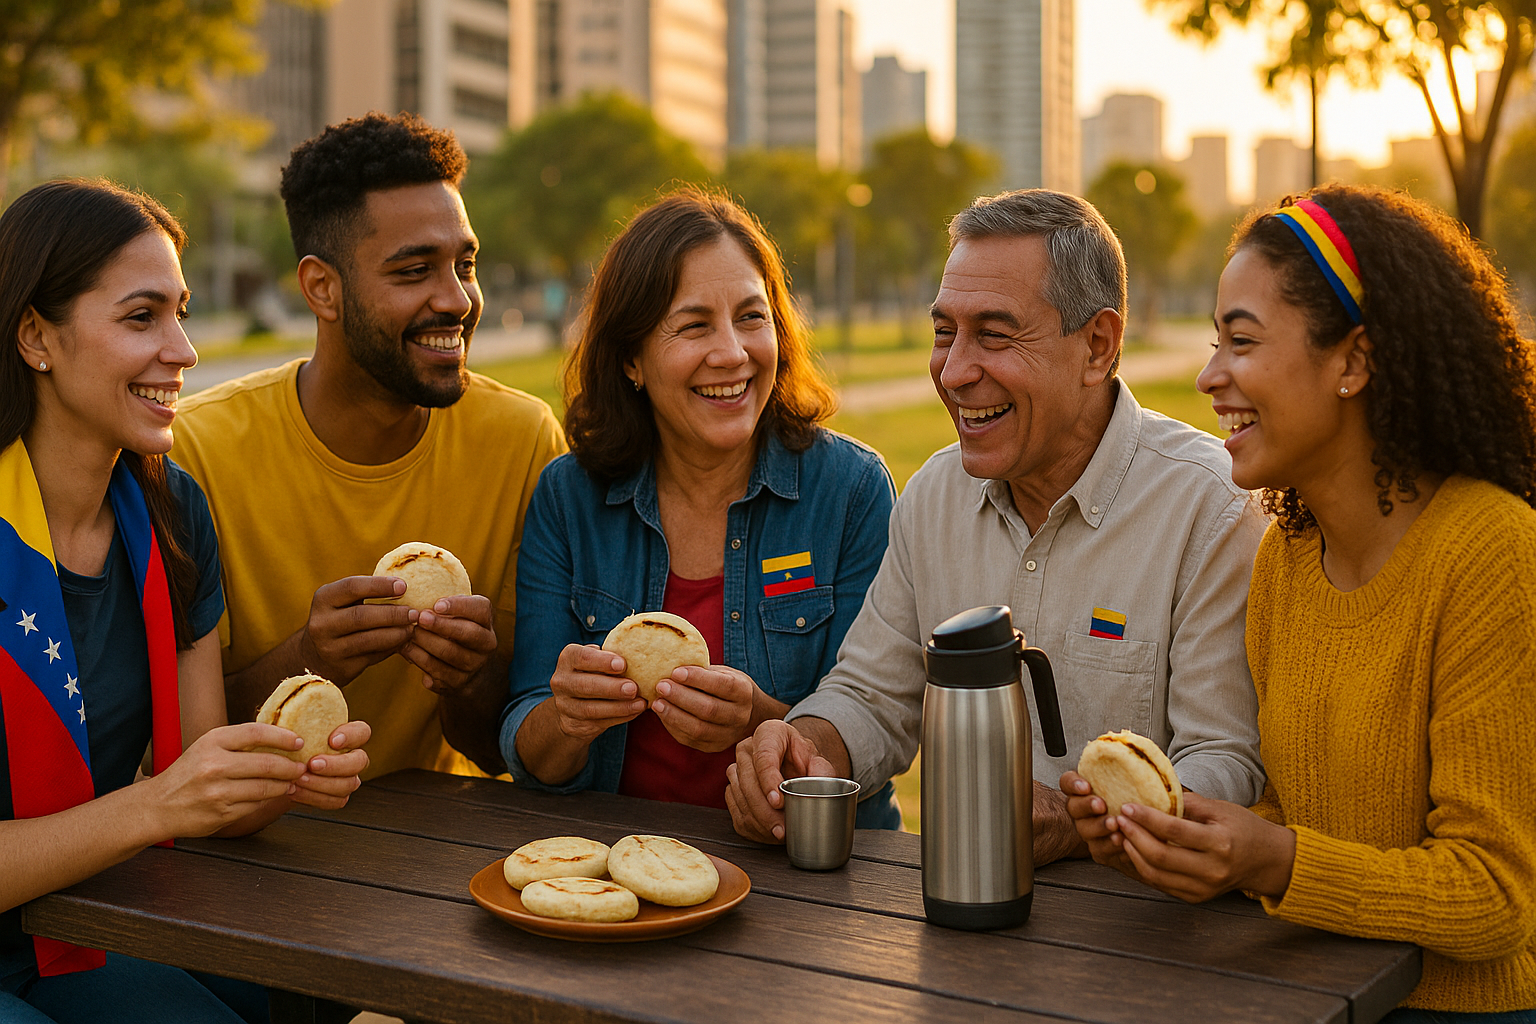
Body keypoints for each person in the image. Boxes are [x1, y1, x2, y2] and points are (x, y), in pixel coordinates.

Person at [1063, 186, 1536, 1021]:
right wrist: (1178, 842)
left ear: (1353, 362)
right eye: (1215, 343)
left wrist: (1272, 863)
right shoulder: (1287, 556)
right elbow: (1294, 813)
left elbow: (1495, 894)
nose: (1210, 377)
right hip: (1309, 996)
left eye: (1241, 342)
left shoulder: (1493, 553)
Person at [726, 188, 1267, 856]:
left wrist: (1077, 824)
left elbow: (1225, 762)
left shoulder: (1210, 509)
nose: (953, 372)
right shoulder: (933, 496)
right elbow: (870, 696)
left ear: (1098, 345)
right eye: (944, 332)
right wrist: (802, 747)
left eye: (994, 335)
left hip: (1146, 937)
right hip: (957, 923)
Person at [0, 179, 370, 1022]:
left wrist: (281, 773)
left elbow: (197, 782)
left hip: (75, 928)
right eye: (141, 318)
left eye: (182, 313)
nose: (184, 351)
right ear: (35, 337)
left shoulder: (173, 514)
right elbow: (165, 800)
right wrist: (159, 803)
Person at [173, 114, 564, 779]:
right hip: (252, 849)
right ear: (322, 288)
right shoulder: (196, 451)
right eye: (414, 271)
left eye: (464, 265)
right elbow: (180, 747)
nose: (458, 299)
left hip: (440, 849)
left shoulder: (523, 439)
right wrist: (309, 657)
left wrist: (472, 674)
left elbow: (516, 747)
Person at [500, 189, 901, 826]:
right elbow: (530, 753)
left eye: (751, 317)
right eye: (694, 326)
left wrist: (761, 719)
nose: (733, 354)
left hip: (807, 872)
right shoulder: (568, 497)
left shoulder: (850, 490)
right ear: (631, 357)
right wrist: (567, 719)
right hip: (618, 864)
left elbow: (877, 720)